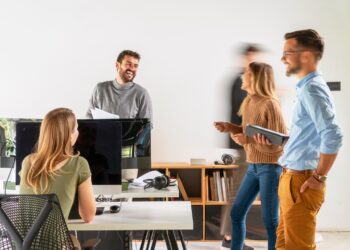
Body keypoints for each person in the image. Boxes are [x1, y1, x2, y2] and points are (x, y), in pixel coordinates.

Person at [273, 29, 342, 250]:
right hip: (290, 177)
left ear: (305, 55)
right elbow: (308, 136)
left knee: (298, 247)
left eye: (287, 52)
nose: (282, 58)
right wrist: (284, 142)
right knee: (283, 243)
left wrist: (319, 176)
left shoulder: (312, 89)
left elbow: (332, 134)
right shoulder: (305, 88)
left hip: (301, 181)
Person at [214, 62, 287, 250]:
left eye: (246, 73)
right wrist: (230, 127)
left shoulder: (271, 104)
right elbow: (250, 131)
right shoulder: (249, 102)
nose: (242, 76)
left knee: (270, 221)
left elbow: (280, 144)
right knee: (236, 214)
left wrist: (248, 140)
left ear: (256, 78)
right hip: (253, 166)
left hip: (270, 168)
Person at [19, 108, 96, 222]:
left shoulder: (27, 162)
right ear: (69, 136)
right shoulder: (79, 164)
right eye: (76, 129)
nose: (78, 132)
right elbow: (88, 216)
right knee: (78, 240)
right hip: (54, 240)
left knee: (74, 240)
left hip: (21, 240)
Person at [221, 44, 263, 250]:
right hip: (243, 145)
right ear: (247, 57)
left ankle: (230, 237)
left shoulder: (246, 80)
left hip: (248, 144)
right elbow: (244, 113)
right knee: (239, 192)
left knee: (241, 192)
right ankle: (229, 238)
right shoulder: (241, 81)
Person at [86, 49, 153, 123]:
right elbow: (89, 116)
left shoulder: (142, 94)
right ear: (117, 65)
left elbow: (147, 126)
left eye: (135, 66)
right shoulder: (100, 89)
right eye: (128, 64)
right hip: (101, 134)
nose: (132, 68)